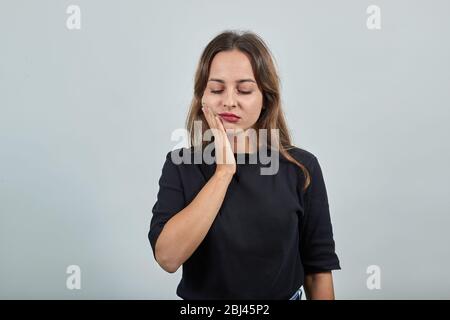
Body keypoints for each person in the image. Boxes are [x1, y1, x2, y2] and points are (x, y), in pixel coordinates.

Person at [148, 30, 341, 300]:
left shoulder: (301, 168)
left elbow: (318, 270)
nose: (229, 101)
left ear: (265, 98)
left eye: (244, 89)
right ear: (202, 97)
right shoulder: (181, 165)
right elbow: (168, 258)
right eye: (216, 89)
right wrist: (224, 172)